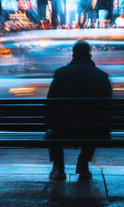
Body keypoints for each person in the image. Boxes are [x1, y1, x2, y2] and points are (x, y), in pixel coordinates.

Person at [47, 40, 112, 180]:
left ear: (73, 56)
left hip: (62, 129)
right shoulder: (102, 76)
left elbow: (50, 103)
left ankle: (59, 167)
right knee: (95, 125)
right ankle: (83, 164)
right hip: (91, 130)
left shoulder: (60, 73)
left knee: (54, 129)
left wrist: (49, 125)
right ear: (90, 56)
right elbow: (108, 106)